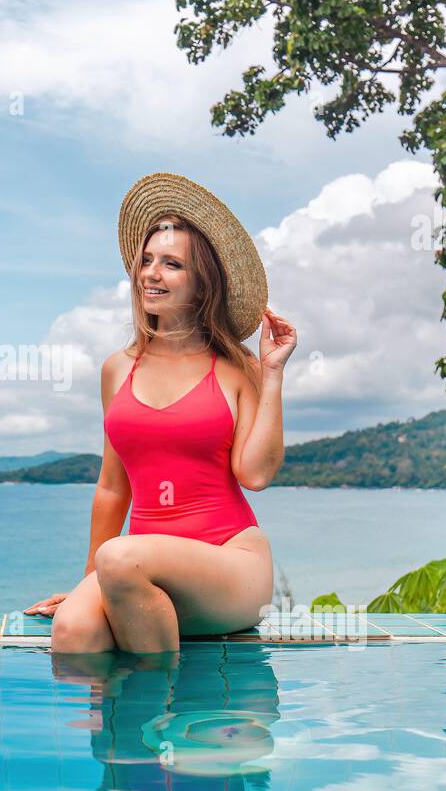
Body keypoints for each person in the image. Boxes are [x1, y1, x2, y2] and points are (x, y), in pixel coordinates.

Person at [23, 172, 297, 653]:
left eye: (172, 264)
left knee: (122, 558)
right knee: (72, 629)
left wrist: (272, 373)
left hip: (230, 562)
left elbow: (254, 475)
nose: (151, 273)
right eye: (146, 260)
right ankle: (124, 728)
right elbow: (112, 486)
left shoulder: (238, 368)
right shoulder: (116, 370)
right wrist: (93, 581)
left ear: (202, 282)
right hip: (132, 567)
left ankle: (159, 727)